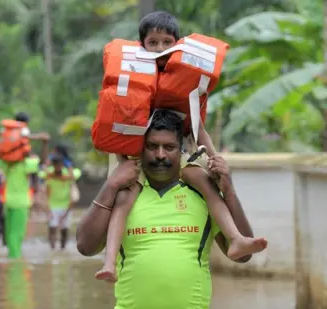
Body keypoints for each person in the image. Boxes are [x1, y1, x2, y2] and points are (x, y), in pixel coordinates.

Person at [95, 11, 268, 282]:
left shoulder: (185, 82)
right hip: (138, 157)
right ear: (142, 46)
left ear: (178, 45)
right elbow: (121, 130)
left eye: (167, 42)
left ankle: (235, 238)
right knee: (124, 199)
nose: (160, 48)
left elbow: (199, 130)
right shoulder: (135, 79)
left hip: (181, 153)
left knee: (206, 184)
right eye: (153, 43)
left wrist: (213, 157)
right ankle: (109, 263)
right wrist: (121, 168)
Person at [77, 110, 267, 308]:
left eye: (169, 147)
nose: (160, 155)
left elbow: (244, 256)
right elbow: (85, 246)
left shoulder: (201, 193)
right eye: (152, 146)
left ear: (181, 149)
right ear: (140, 148)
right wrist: (110, 186)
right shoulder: (123, 192)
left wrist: (229, 192)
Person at [0, 112, 50, 258]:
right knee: (17, 234)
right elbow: (43, 162)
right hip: (20, 203)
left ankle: (12, 260)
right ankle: (15, 264)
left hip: (7, 201)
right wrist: (45, 144)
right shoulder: (25, 164)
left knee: (10, 235)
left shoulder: (6, 164)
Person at [39, 154, 82, 250]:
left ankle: (63, 248)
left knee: (64, 229)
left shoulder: (68, 173)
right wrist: (47, 165)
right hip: (52, 205)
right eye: (56, 165)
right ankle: (52, 249)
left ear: (63, 165)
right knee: (52, 228)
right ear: (53, 165)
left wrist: (69, 166)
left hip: (66, 205)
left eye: (60, 165)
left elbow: (76, 174)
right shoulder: (48, 173)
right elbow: (41, 173)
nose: (58, 167)